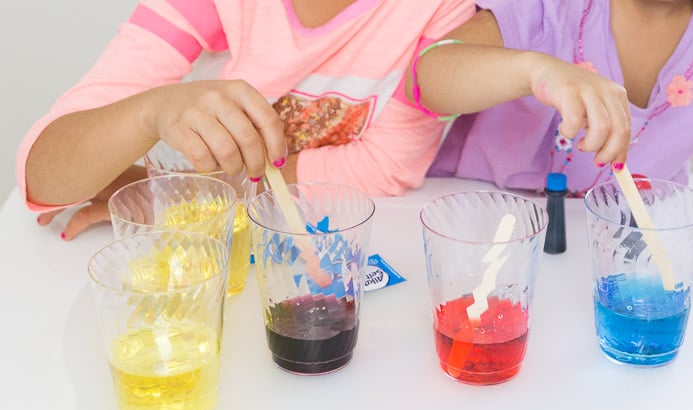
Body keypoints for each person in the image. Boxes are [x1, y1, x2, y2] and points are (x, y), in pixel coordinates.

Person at [409, 0, 693, 293]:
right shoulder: (548, 7)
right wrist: (534, 71)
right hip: (479, 246)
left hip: (625, 261)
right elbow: (426, 77)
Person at [17, 0, 477, 239]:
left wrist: (178, 198)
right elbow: (43, 177)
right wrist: (151, 112)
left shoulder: (437, 10)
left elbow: (387, 164)